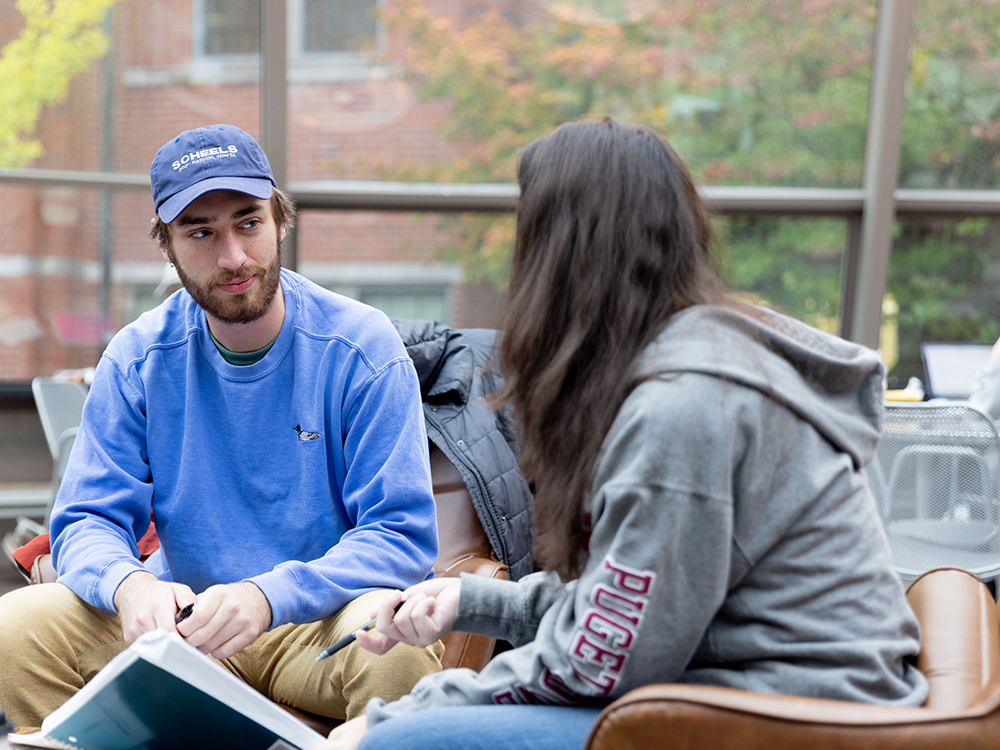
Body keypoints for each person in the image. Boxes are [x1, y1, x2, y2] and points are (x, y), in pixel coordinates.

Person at [320, 118, 929, 750]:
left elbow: (602, 658)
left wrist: (399, 722)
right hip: (758, 692)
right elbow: (621, 608)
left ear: (561, 253)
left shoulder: (684, 410)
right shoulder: (696, 366)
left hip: (796, 720)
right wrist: (471, 601)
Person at [0, 124, 443, 728]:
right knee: (14, 630)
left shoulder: (361, 348)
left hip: (318, 623)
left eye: (248, 223)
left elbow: (401, 536)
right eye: (201, 233)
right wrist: (130, 587)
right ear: (167, 247)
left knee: (400, 654)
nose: (232, 256)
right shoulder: (137, 358)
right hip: (185, 624)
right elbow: (87, 519)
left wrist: (267, 596)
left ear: (280, 222)